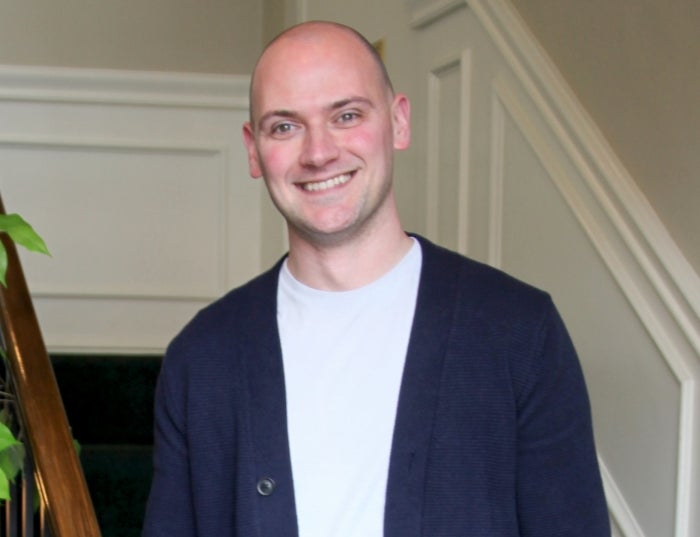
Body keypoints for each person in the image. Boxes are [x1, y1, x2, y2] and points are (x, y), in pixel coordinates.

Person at [142, 21, 610, 537]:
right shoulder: (202, 359)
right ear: (253, 151)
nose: (319, 152)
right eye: (285, 126)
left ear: (399, 121)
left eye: (346, 115)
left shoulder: (520, 333)